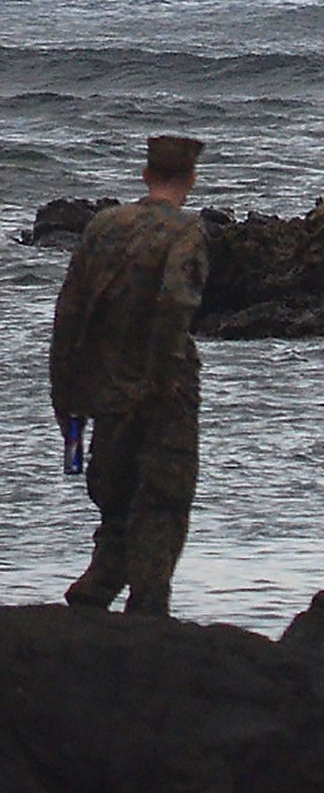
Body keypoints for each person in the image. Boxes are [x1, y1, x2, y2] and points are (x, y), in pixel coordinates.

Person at [48, 134, 209, 615]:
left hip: (103, 390)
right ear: (192, 179)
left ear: (145, 175)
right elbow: (175, 305)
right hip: (163, 392)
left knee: (116, 503)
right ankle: (148, 608)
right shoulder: (187, 232)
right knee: (163, 500)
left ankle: (94, 593)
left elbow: (69, 312)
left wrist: (64, 393)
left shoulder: (103, 226)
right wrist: (166, 379)